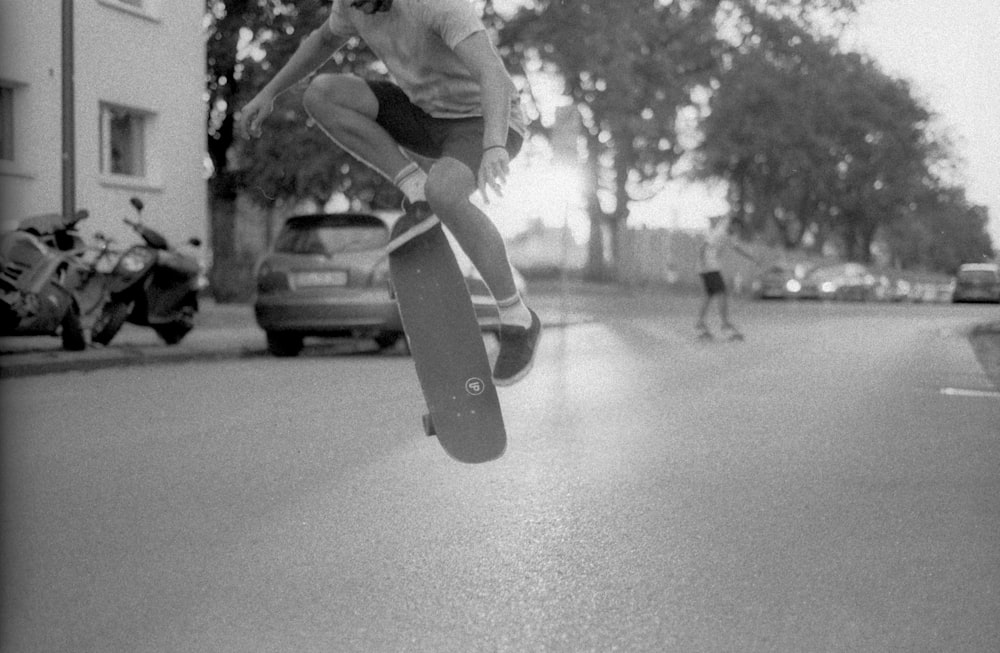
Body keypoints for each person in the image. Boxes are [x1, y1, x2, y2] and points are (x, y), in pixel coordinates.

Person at [238, 0, 540, 385]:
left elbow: (492, 75)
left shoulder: (437, 6)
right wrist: (270, 92)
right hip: (424, 116)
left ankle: (517, 317)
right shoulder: (350, 6)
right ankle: (412, 186)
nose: (360, 8)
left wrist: (495, 145)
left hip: (486, 119)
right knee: (322, 93)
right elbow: (320, 41)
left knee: (445, 193)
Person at [695, 215, 758, 340]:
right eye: (737, 227)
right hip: (709, 267)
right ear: (732, 224)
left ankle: (700, 323)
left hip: (710, 267)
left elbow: (736, 247)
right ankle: (725, 324)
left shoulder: (729, 233)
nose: (737, 231)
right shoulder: (720, 232)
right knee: (722, 293)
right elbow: (703, 247)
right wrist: (703, 265)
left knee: (709, 296)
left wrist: (751, 257)